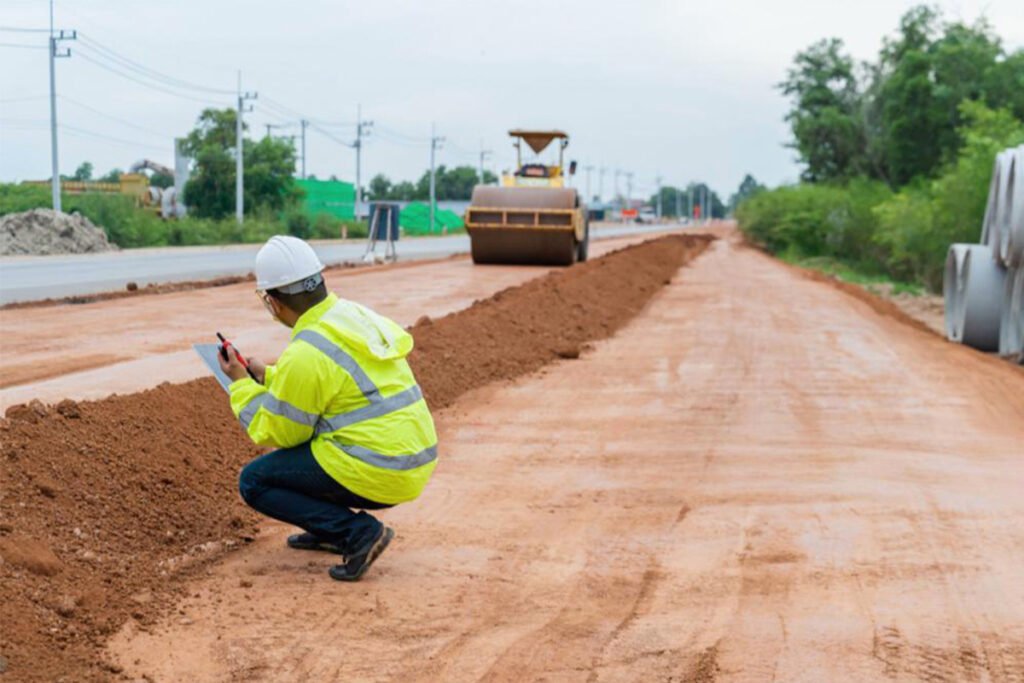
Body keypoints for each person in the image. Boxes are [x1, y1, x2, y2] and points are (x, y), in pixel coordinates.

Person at [217, 235, 438, 581]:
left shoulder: (306, 352)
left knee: (255, 481)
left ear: (272, 302)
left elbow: (276, 432)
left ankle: (357, 533)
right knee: (313, 447)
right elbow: (334, 383)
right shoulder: (351, 316)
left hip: (379, 467)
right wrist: (269, 376)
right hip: (413, 457)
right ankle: (327, 529)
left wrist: (240, 384)